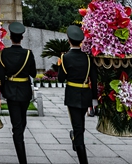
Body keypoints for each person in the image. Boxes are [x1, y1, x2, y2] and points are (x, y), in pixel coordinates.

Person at [0, 22, 37, 164]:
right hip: (25, 91)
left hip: (11, 91)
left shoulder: (4, 53)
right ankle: (22, 157)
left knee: (17, 125)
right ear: (21, 37)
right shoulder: (28, 53)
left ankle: (21, 153)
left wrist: (2, 91)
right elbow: (33, 73)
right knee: (21, 121)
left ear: (10, 37)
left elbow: (1, 75)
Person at [56, 25, 92, 164]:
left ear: (68, 40)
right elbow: (93, 79)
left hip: (72, 95)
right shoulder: (88, 58)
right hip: (86, 95)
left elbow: (61, 78)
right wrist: (94, 100)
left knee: (78, 128)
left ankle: (78, 147)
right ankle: (76, 139)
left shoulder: (65, 57)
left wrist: (60, 64)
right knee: (80, 126)